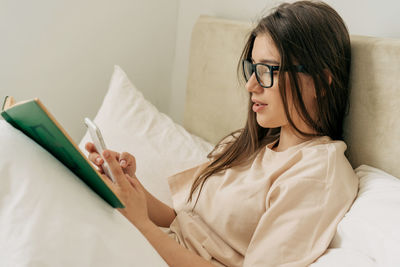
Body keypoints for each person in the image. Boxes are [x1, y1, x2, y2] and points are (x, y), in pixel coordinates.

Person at [85, 1, 358, 266]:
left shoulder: (318, 172)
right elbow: (183, 223)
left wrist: (142, 226)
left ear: (321, 82)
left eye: (266, 70)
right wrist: (131, 189)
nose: (251, 84)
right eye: (252, 68)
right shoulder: (249, 144)